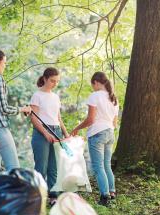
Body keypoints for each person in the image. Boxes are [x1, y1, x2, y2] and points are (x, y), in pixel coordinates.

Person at [71, 72, 119, 206]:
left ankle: (105, 197)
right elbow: (115, 123)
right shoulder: (113, 98)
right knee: (106, 165)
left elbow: (91, 119)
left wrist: (77, 128)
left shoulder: (94, 96)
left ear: (96, 82)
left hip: (97, 133)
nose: (93, 88)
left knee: (98, 167)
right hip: (110, 133)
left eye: (93, 85)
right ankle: (112, 192)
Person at [30, 67, 69, 205]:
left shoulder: (55, 97)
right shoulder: (37, 95)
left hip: (56, 131)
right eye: (52, 81)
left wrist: (65, 133)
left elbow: (58, 117)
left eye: (57, 81)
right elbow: (34, 118)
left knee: (54, 166)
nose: (55, 84)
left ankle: (53, 197)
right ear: (45, 79)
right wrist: (45, 133)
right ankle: (37, 197)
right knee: (41, 166)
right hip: (41, 133)